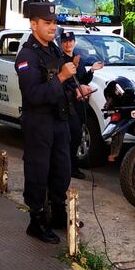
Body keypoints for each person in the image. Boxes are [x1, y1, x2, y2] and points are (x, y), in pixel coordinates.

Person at [15, 0, 77, 244]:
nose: (53, 27)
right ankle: (37, 221)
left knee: (62, 170)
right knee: (38, 172)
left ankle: (58, 214)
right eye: (47, 23)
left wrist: (76, 86)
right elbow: (33, 95)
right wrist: (61, 78)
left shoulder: (53, 50)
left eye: (55, 23)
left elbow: (65, 82)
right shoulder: (26, 56)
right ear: (33, 24)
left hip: (59, 120)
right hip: (38, 123)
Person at [59, 31, 103, 179]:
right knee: (71, 136)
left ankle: (72, 165)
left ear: (74, 42)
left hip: (80, 103)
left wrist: (91, 70)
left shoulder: (79, 58)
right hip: (68, 103)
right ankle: (70, 167)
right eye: (65, 41)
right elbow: (63, 82)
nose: (68, 44)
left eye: (70, 41)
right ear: (61, 43)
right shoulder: (60, 60)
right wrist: (76, 90)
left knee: (78, 136)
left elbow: (83, 79)